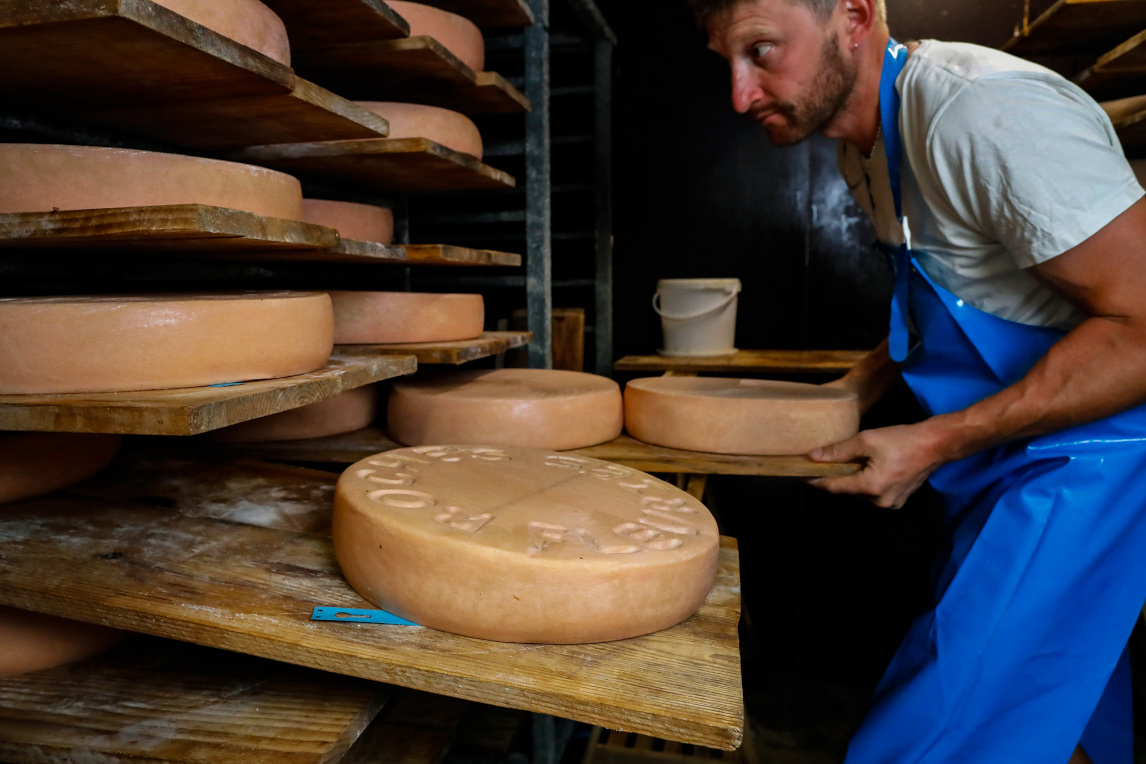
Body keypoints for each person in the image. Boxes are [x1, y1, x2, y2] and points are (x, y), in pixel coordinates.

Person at [693, 0, 1146, 761]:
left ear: (856, 15)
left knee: (944, 727)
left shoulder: (981, 115)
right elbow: (958, 298)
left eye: (762, 52)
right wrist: (844, 396)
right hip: (1005, 460)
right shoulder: (863, 146)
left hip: (1092, 466)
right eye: (726, 65)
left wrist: (934, 441)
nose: (740, 95)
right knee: (1067, 703)